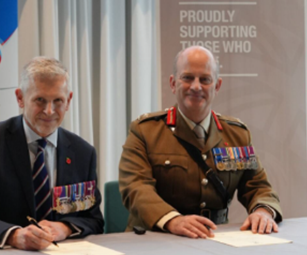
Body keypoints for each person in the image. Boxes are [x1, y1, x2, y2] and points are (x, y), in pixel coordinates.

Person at [119, 45, 282, 239]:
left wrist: (263, 211)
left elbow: (258, 186)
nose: (196, 87)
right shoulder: (145, 131)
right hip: (156, 238)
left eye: (205, 79)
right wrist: (173, 220)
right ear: (173, 83)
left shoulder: (237, 135)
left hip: (214, 237)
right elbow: (136, 188)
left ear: (217, 86)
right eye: (187, 78)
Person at [0, 57, 104, 250]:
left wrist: (65, 228)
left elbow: (93, 220)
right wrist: (14, 236)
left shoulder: (83, 153)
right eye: (40, 100)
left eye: (58, 101)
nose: (49, 111)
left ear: (69, 101)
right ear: (20, 98)